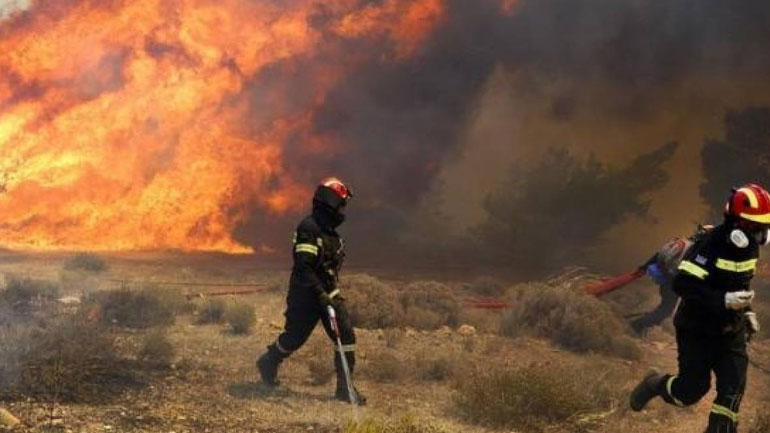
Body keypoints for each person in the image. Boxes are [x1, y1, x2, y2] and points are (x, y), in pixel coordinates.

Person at [630, 184, 769, 433]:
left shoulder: (749, 247)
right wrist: (723, 300)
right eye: (755, 224)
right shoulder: (710, 245)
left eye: (764, 225)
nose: (761, 232)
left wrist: (746, 312)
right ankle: (654, 383)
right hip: (697, 330)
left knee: (731, 395)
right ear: (736, 221)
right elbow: (683, 284)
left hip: (730, 332)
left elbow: (741, 282)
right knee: (690, 392)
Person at [255, 177, 365, 405]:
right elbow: (303, 266)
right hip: (305, 296)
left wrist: (330, 295)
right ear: (330, 202)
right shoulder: (309, 228)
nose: (343, 210)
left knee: (345, 336)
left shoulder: (331, 234)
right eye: (341, 203)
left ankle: (345, 389)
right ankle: (268, 361)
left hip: (328, 294)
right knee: (294, 339)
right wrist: (319, 294)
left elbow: (328, 269)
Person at [630, 225, 713, 335]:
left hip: (667, 279)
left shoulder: (681, 242)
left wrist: (644, 267)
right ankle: (637, 325)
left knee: (666, 308)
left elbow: (658, 255)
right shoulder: (695, 250)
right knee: (666, 310)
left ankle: (643, 324)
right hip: (673, 281)